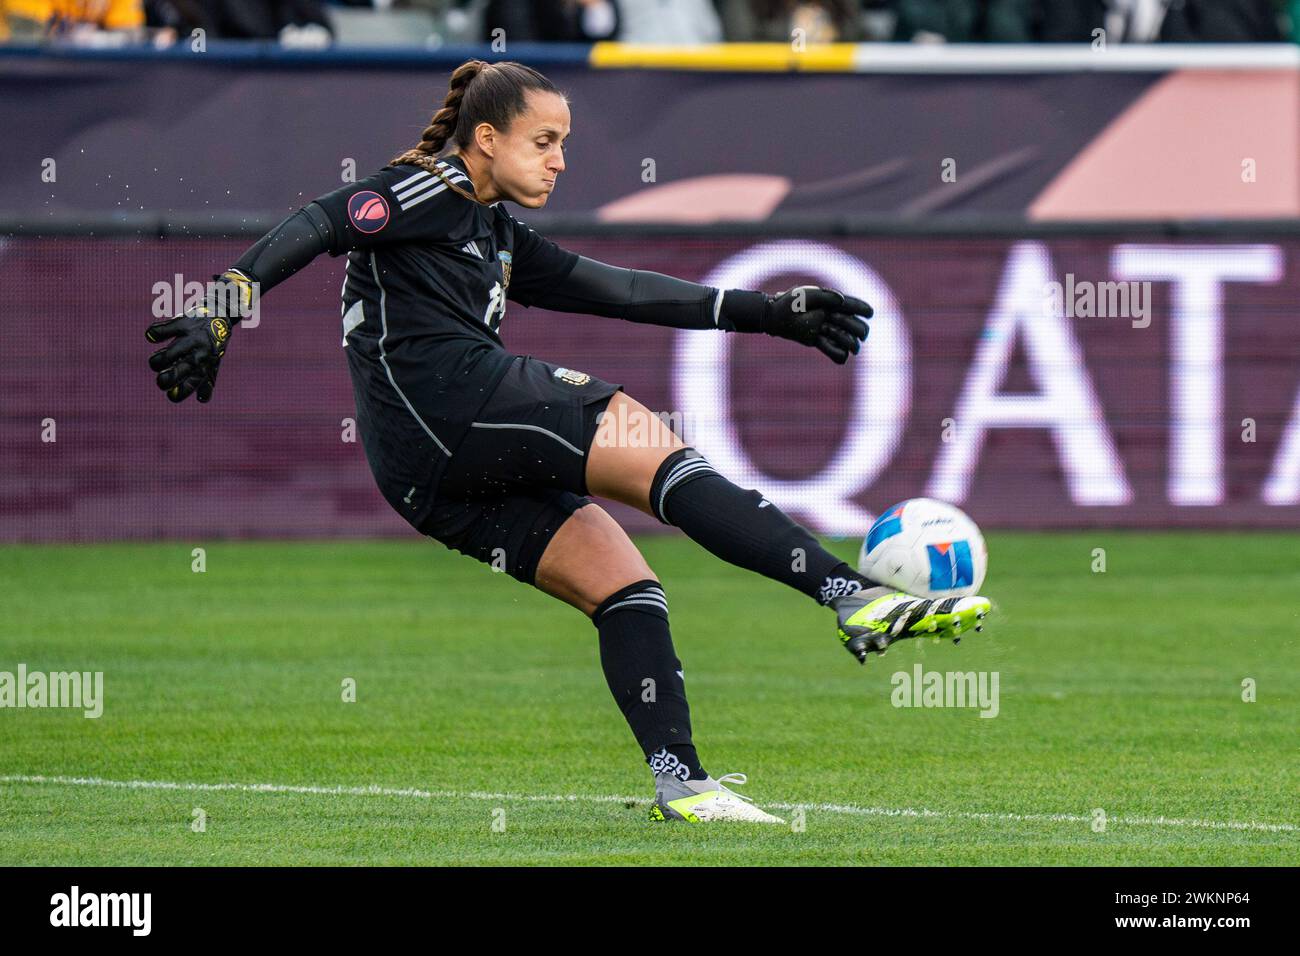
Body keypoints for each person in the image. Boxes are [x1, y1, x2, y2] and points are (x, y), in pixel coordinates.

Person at [145, 59, 990, 823]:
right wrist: (224, 304)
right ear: (486, 137)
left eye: (564, 143)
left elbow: (614, 289)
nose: (557, 160)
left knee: (627, 588)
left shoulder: (494, 231)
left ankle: (683, 784)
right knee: (657, 451)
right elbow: (324, 220)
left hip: (419, 475)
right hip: (454, 405)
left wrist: (764, 312)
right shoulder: (432, 186)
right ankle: (850, 594)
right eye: (543, 141)